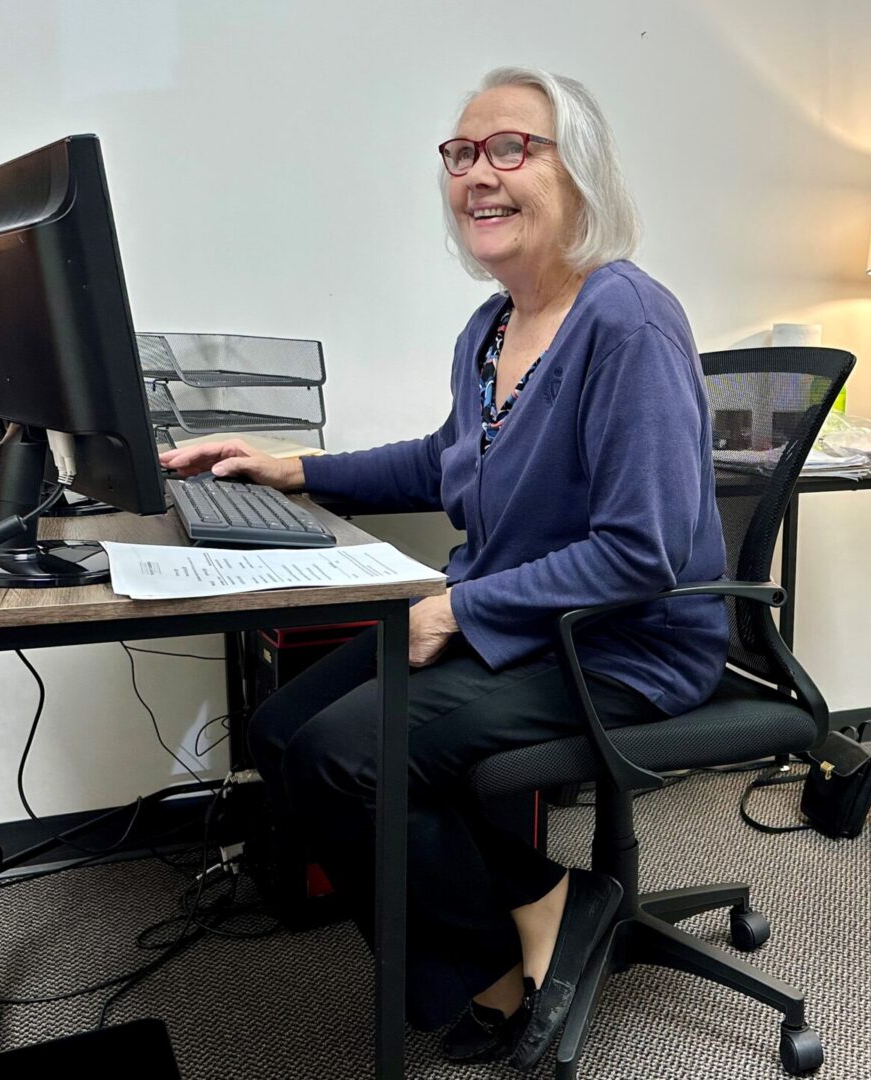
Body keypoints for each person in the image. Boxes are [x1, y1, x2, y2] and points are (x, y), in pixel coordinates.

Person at [159, 66, 727, 1069]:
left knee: (350, 754)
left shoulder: (627, 322)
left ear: (581, 171)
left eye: (511, 147)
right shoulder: (492, 330)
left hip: (621, 644)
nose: (478, 174)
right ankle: (532, 909)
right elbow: (444, 458)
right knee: (286, 730)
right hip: (519, 622)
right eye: (461, 154)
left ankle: (497, 966)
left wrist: (457, 608)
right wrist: (293, 467)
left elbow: (643, 553)